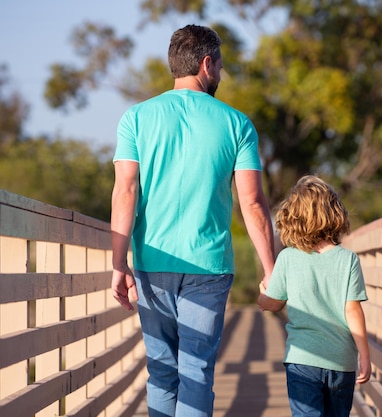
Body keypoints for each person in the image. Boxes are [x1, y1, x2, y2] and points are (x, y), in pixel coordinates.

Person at [110, 24, 276, 417]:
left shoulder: (136, 118)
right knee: (196, 371)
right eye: (219, 64)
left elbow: (125, 192)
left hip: (153, 262)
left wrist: (119, 263)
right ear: (207, 64)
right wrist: (272, 269)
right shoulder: (237, 124)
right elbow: (251, 203)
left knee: (162, 371)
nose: (219, 72)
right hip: (209, 267)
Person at [258, 175, 371, 417]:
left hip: (303, 359)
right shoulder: (348, 259)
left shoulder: (288, 258)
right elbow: (353, 311)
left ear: (292, 217)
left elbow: (274, 303)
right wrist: (365, 355)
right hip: (341, 362)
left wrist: (262, 297)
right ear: (335, 213)